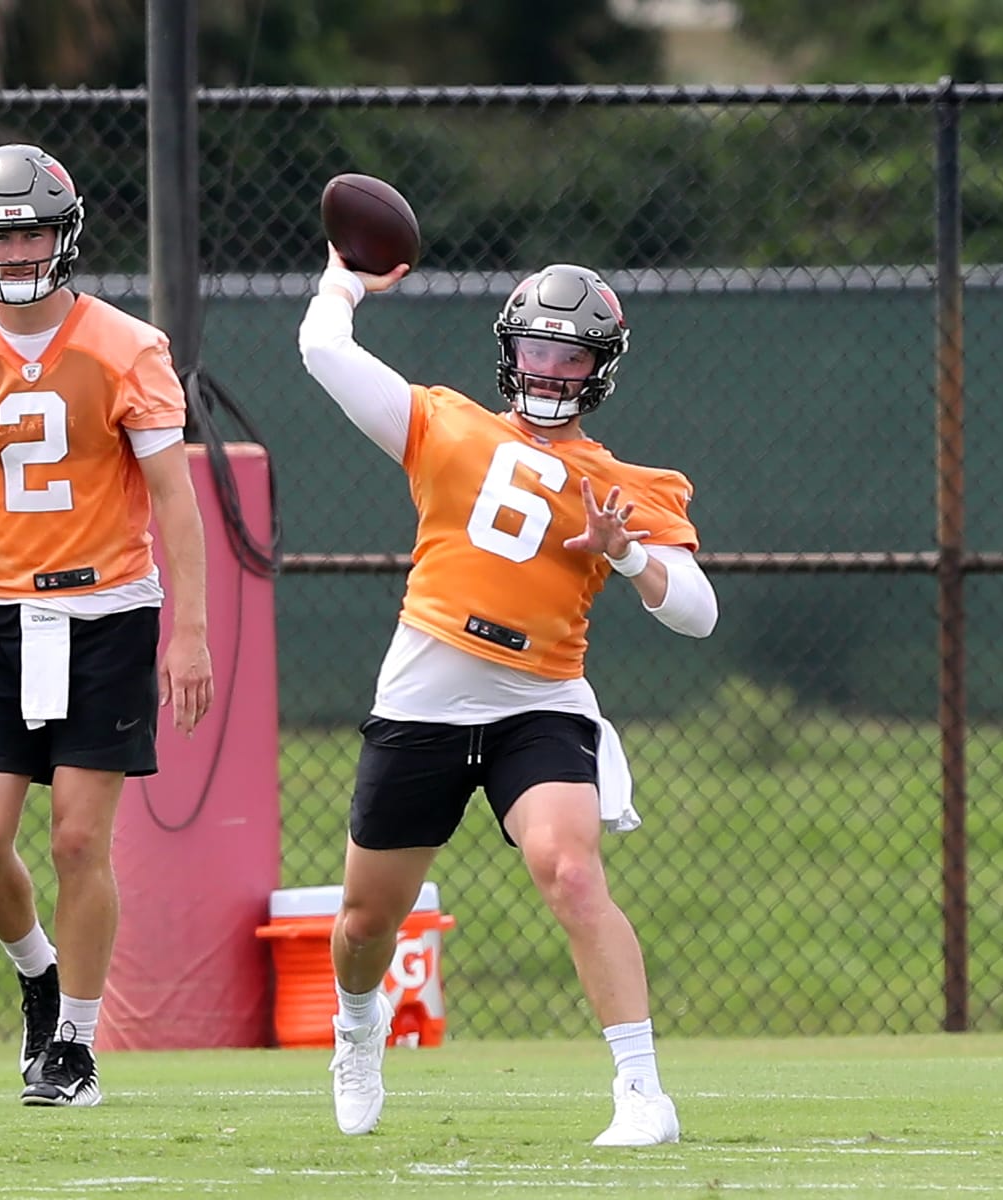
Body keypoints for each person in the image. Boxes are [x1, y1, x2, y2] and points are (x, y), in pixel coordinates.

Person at [297, 246, 718, 1145]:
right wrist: (345, 278)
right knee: (365, 922)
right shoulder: (444, 424)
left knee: (571, 872)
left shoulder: (625, 487)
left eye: (572, 356)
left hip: (539, 701)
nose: (551, 370)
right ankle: (359, 1027)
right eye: (538, 349)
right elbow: (324, 350)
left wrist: (627, 553)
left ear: (600, 368)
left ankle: (643, 1091)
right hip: (424, 700)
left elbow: (697, 612)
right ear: (509, 351)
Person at [0, 143, 213, 1108]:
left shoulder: (128, 347)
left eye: (32, 231)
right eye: (0, 235)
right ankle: (38, 972)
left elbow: (175, 497)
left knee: (79, 840)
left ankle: (75, 1043)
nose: (17, 250)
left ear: (65, 234)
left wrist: (189, 631)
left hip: (108, 611)